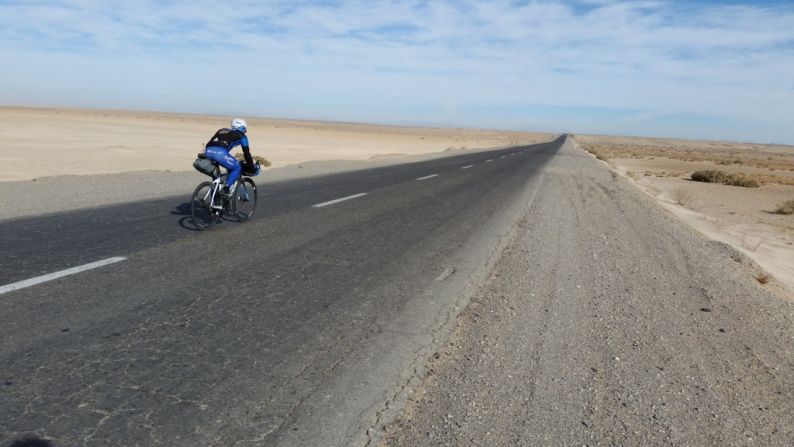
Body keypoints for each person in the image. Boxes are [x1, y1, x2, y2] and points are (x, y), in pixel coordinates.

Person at [204, 118, 259, 197]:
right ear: (241, 128)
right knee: (237, 167)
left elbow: (210, 142)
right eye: (245, 129)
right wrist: (251, 166)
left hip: (207, 151)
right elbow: (247, 154)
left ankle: (215, 205)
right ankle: (226, 188)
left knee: (216, 180)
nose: (245, 131)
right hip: (220, 153)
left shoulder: (222, 130)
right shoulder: (242, 136)